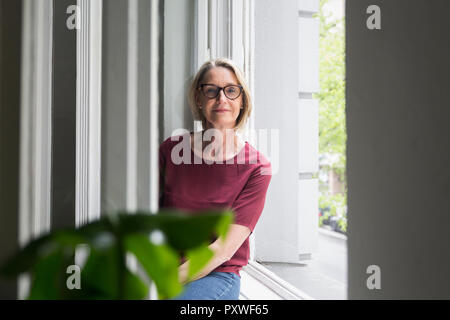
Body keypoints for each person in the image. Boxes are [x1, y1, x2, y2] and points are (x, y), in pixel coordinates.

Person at [159, 58, 272, 300]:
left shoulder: (257, 168)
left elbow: (221, 250)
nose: (222, 99)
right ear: (199, 99)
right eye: (211, 91)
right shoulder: (171, 150)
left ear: (242, 101)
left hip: (214, 275)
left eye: (231, 91)